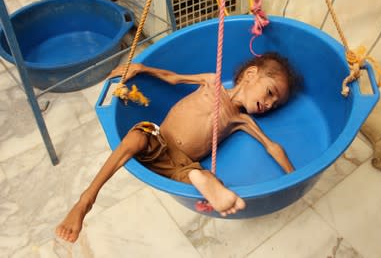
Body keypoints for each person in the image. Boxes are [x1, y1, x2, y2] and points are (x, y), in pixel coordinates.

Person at [55, 52, 301, 243]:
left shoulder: (242, 121)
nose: (269, 104)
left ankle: (208, 185)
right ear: (250, 75)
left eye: (275, 103)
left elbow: (272, 146)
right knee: (139, 135)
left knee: (201, 175)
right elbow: (173, 78)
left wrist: (294, 177)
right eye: (270, 92)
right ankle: (86, 200)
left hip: (180, 165)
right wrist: (141, 68)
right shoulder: (211, 82)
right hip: (158, 140)